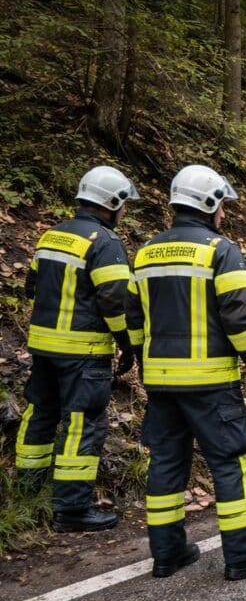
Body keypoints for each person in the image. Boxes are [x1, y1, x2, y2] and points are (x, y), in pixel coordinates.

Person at [126, 164, 246, 580]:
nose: (223, 215)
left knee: (166, 464)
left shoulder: (146, 252)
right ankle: (244, 554)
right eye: (222, 206)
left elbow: (134, 319)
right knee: (233, 462)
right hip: (211, 383)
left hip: (160, 383)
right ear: (210, 203)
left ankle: (168, 553)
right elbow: (239, 317)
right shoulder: (220, 250)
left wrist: (141, 360)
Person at [15, 165, 139, 532]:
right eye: (124, 204)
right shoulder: (105, 243)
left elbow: (31, 286)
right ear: (112, 202)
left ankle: (28, 490)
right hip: (83, 353)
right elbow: (115, 303)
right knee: (81, 426)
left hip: (43, 346)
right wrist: (127, 344)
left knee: (39, 415)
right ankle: (71, 509)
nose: (125, 211)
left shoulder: (52, 235)